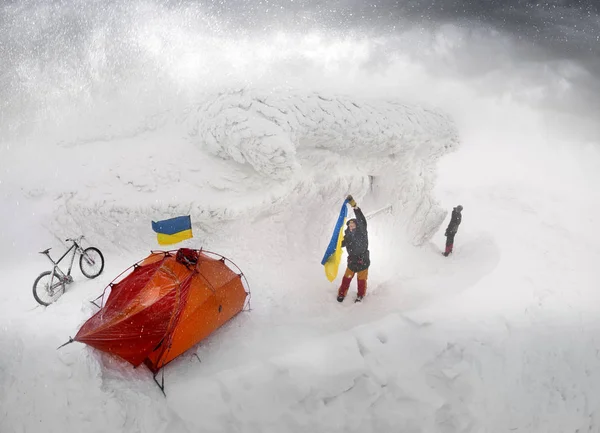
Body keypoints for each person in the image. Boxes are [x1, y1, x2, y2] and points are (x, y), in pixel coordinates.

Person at [337, 195, 370, 303]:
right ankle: (341, 294)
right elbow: (340, 245)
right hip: (352, 261)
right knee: (346, 279)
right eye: (349, 225)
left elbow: (361, 219)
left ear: (357, 225)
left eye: (353, 224)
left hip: (363, 261)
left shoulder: (362, 233)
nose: (351, 226)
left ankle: (360, 295)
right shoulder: (348, 236)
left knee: (361, 281)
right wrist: (334, 246)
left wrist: (355, 206)